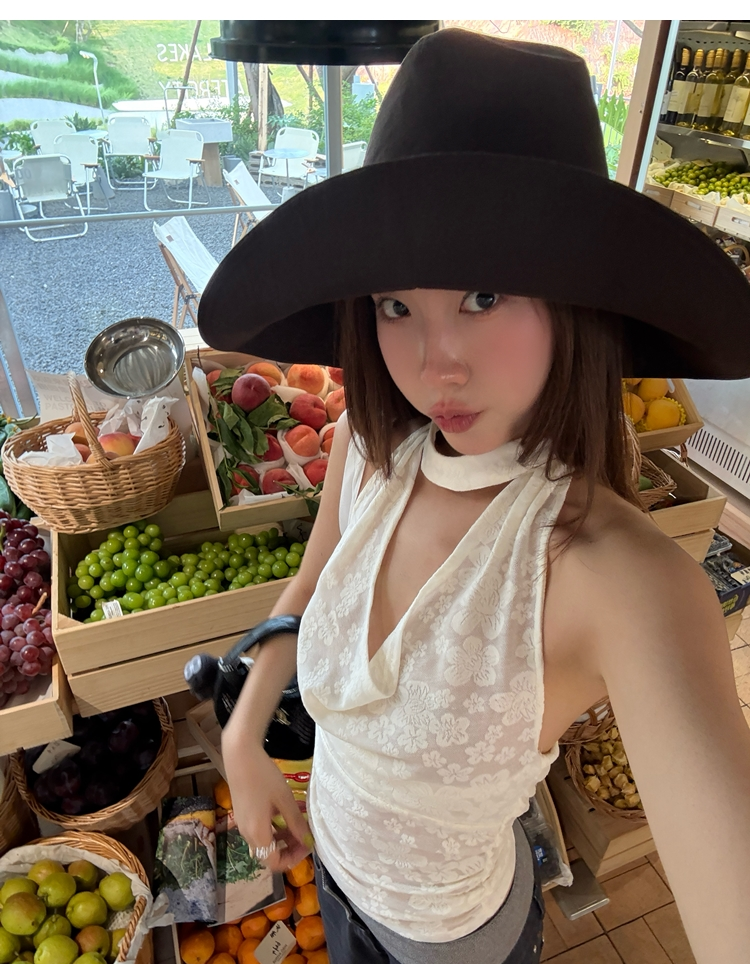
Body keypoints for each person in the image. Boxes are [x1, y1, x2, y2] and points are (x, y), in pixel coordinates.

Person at [198, 28, 750, 964]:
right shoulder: (371, 450)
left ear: (578, 303)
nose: (434, 363)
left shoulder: (611, 574)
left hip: (451, 939)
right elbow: (311, 590)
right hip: (334, 881)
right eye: (396, 305)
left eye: (484, 296)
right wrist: (244, 737)